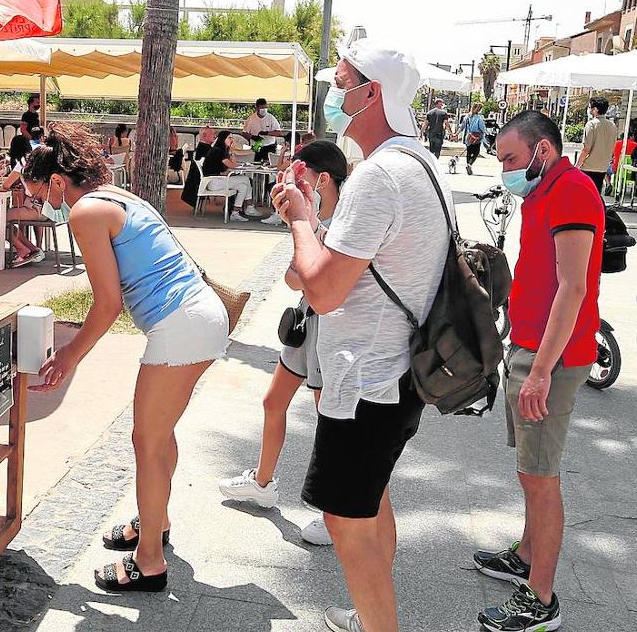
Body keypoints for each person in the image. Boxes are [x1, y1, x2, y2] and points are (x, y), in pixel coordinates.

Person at [271, 39, 450, 632]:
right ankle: (372, 615)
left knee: (347, 518)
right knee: (371, 503)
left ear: (371, 93)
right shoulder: (421, 164)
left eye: (342, 82)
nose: (333, 94)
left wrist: (300, 219)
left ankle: (379, 624)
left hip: (367, 377)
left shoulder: (379, 177)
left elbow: (320, 290)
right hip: (399, 371)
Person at [24, 123, 230, 594]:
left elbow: (106, 303)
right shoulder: (118, 195)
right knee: (157, 436)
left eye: (39, 195)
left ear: (58, 181)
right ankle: (154, 522)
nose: (42, 207)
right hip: (199, 315)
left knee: (147, 441)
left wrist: (70, 356)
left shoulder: (84, 212)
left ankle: (150, 561)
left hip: (181, 324)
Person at [472, 110, 603, 632]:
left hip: (551, 358)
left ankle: (541, 597)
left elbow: (572, 288)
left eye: (510, 158)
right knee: (530, 468)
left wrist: (542, 370)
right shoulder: (543, 192)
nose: (504, 168)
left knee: (540, 476)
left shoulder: (570, 190)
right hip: (529, 348)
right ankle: (526, 556)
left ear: (542, 151)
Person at [219, 140, 348, 545]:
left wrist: (305, 226)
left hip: (330, 329)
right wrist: (301, 224)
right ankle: (262, 483)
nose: (291, 186)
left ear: (320, 179)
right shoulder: (316, 219)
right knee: (274, 401)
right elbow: (295, 278)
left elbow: (306, 277)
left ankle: (333, 514)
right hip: (307, 324)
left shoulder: (345, 220)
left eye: (298, 177)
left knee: (328, 422)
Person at [200, 131, 262, 221]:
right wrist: (232, 151)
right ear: (223, 139)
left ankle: (235, 212)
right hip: (213, 182)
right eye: (229, 138)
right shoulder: (218, 151)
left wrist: (231, 151)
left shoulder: (221, 150)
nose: (232, 140)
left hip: (218, 180)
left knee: (243, 186)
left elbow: (229, 166)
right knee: (246, 179)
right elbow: (233, 165)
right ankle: (249, 207)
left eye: (232, 138)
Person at [577, 97, 618, 194]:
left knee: (583, 194)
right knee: (596, 194)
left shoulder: (591, 125)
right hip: (603, 166)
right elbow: (613, 146)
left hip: (588, 166)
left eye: (590, 107)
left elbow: (586, 149)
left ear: (595, 109)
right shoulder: (612, 126)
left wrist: (577, 165)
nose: (589, 109)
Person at [243, 98, 285, 164]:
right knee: (255, 164)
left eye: (265, 107)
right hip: (256, 146)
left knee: (269, 165)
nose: (264, 110)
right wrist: (253, 137)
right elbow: (244, 133)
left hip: (269, 146)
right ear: (257, 108)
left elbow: (279, 133)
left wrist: (267, 133)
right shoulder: (251, 119)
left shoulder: (271, 118)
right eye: (262, 108)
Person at [461, 103, 487, 175]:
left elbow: (462, 127)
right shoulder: (479, 118)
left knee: (469, 152)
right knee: (476, 152)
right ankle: (470, 164)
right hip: (476, 137)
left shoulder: (466, 117)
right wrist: (483, 133)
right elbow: (482, 128)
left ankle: (467, 164)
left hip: (468, 137)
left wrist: (455, 135)